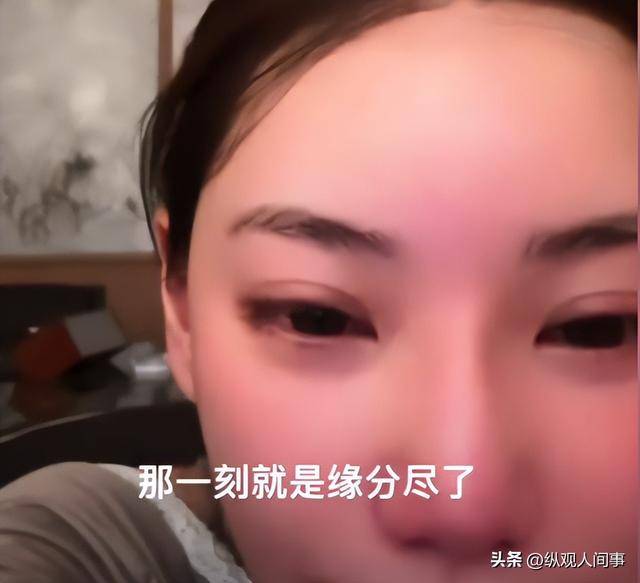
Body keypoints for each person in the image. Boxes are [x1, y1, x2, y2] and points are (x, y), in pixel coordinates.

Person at [1, 1, 637, 581]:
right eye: (317, 317)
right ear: (183, 311)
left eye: (597, 328)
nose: (458, 503)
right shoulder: (78, 544)